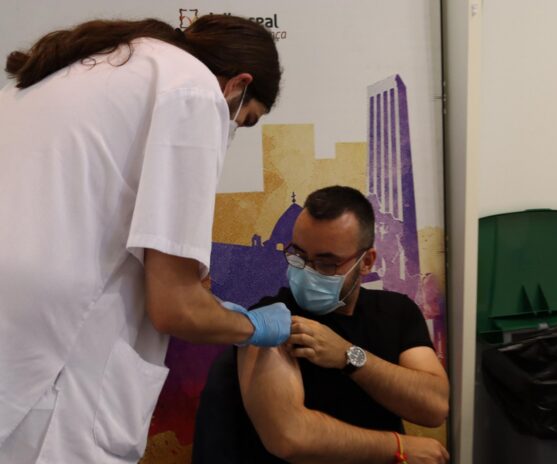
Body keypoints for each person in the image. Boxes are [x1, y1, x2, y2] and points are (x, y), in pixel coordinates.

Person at [0, 15, 292, 464]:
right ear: (239, 84)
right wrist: (252, 327)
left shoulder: (81, 70)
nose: (231, 129)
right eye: (244, 120)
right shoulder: (194, 90)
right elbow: (175, 307)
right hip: (52, 379)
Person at [193, 186, 450, 464]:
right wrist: (398, 446)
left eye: (326, 264)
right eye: (299, 256)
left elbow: (434, 407)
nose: (307, 271)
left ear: (366, 262)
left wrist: (348, 356)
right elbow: (289, 437)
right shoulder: (272, 321)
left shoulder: (397, 311)